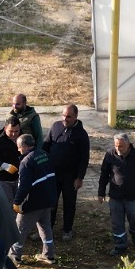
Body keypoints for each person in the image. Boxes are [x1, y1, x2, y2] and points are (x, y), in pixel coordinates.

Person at [98, 132, 135, 254]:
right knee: (117, 223)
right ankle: (120, 246)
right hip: (115, 197)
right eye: (116, 146)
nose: (118, 149)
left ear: (128, 145)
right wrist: (101, 192)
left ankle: (134, 232)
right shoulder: (110, 154)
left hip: (134, 197)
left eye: (121, 146)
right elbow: (104, 174)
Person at [43, 103, 91, 243]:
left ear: (76, 116)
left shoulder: (81, 134)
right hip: (53, 173)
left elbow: (84, 158)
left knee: (69, 204)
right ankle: (47, 229)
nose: (65, 118)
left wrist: (80, 177)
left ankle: (67, 230)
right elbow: (46, 145)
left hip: (70, 176)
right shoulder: (55, 126)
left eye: (69, 116)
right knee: (51, 202)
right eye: (64, 115)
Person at [11, 133, 57, 265]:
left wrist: (17, 202)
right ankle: (49, 254)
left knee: (20, 228)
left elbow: (24, 186)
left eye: (19, 147)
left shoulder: (26, 162)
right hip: (48, 199)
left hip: (33, 202)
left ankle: (15, 256)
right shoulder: (44, 154)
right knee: (45, 227)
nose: (18, 150)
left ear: (25, 146)